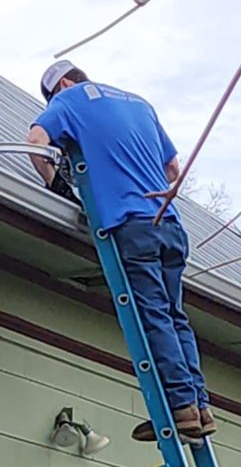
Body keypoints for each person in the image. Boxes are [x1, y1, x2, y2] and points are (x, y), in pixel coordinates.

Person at [27, 61, 214, 440]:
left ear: (62, 83)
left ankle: (179, 407)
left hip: (132, 224)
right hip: (170, 225)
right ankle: (200, 407)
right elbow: (173, 170)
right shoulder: (139, 104)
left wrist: (57, 185)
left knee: (153, 316)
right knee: (176, 316)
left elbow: (36, 143)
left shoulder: (72, 100)